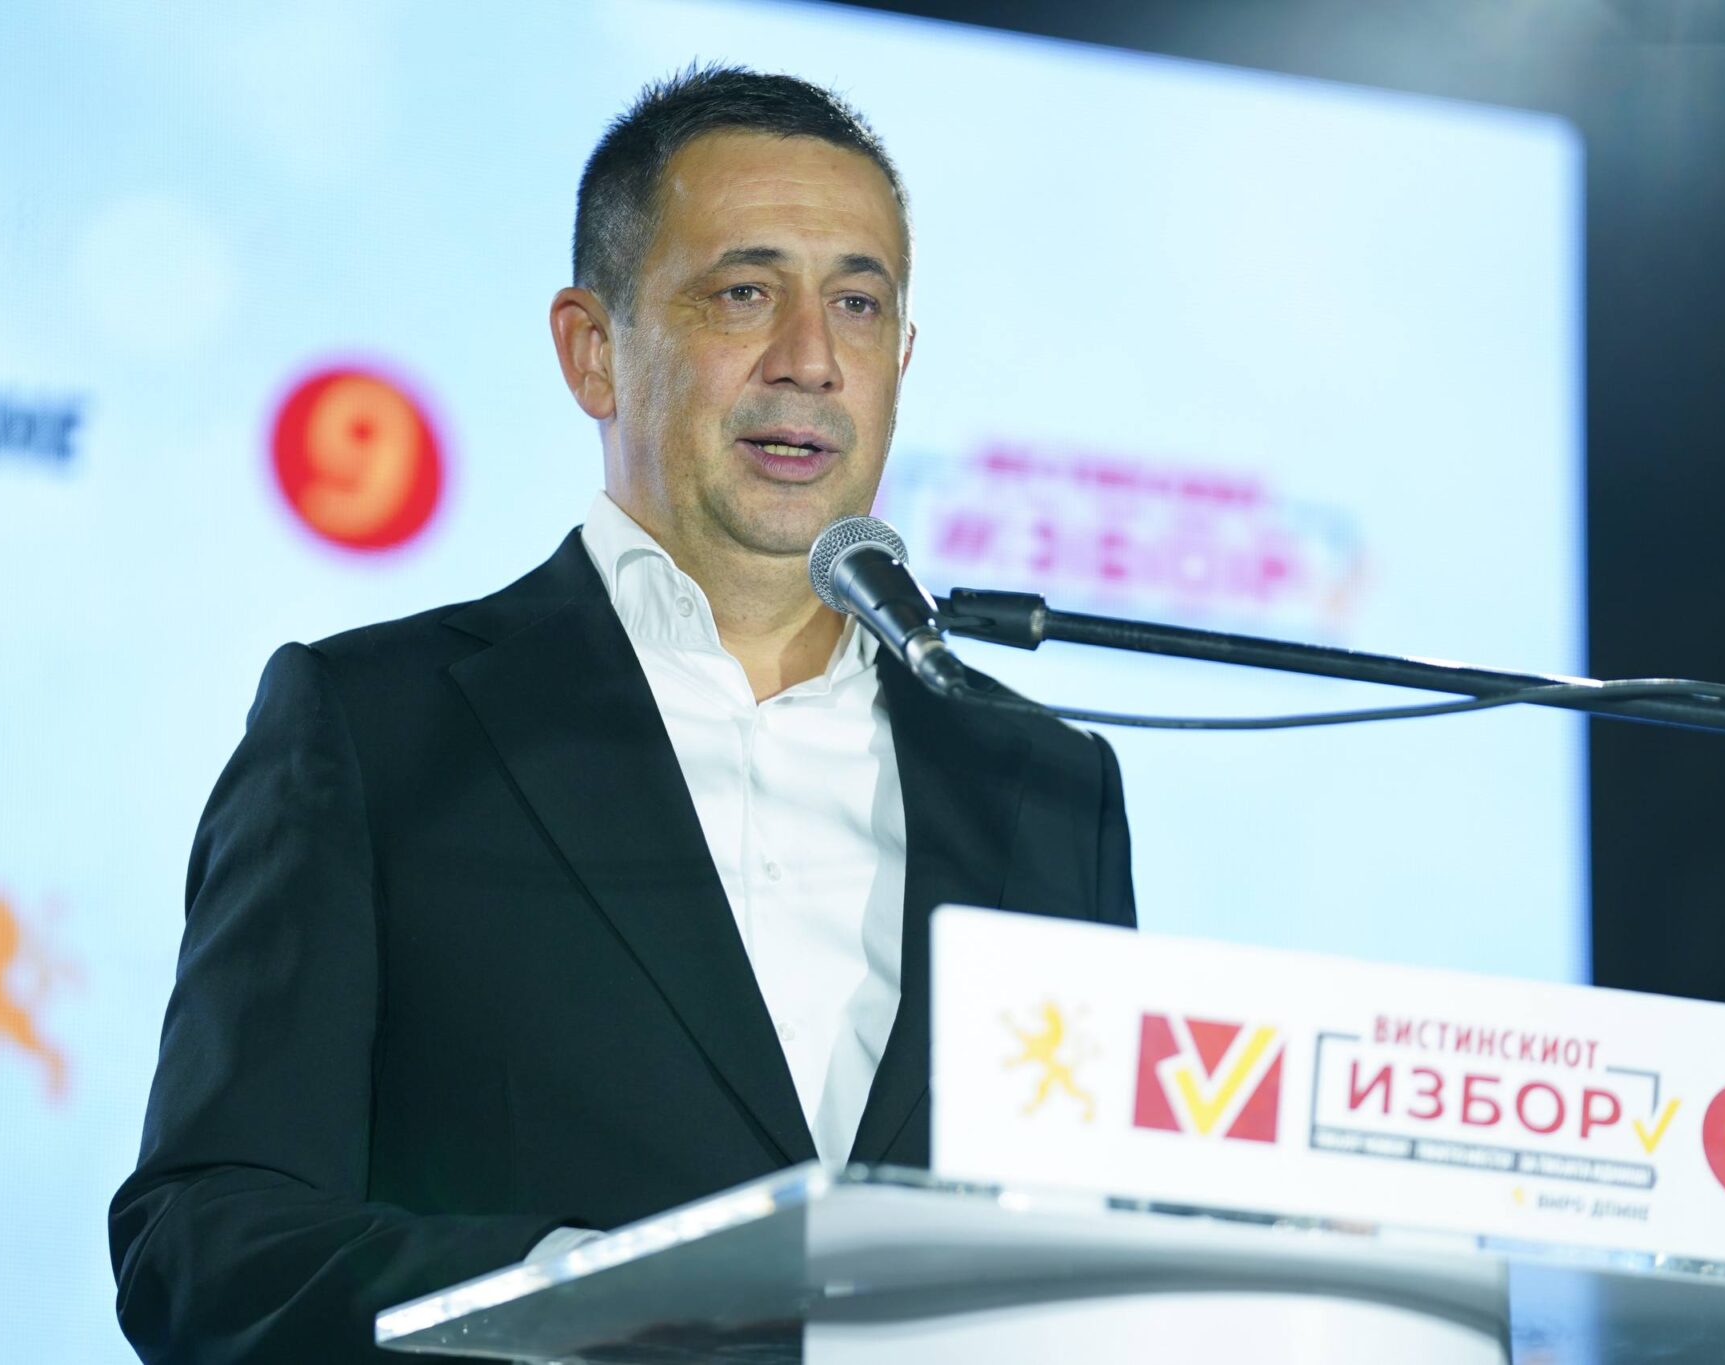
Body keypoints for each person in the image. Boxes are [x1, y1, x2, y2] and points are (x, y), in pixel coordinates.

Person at [109, 64, 1136, 1364]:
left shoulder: (1045, 787)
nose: (811, 360)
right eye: (745, 293)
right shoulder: (376, 729)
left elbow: (1110, 1262)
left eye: (859, 304)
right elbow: (206, 1246)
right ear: (593, 350)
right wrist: (580, 1301)